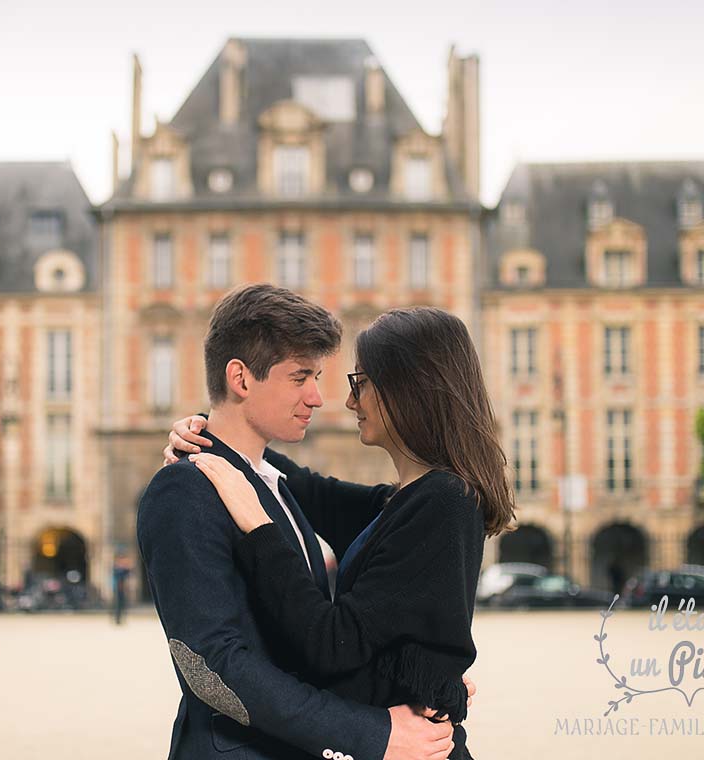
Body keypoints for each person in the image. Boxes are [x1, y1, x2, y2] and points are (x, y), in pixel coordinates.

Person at [165, 306, 515, 760]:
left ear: (408, 387)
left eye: (361, 383)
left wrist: (259, 527)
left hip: (414, 745)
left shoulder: (442, 503)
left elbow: (331, 644)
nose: (350, 402)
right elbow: (305, 488)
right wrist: (204, 430)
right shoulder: (405, 502)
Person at [111, 552, 133, 625]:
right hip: (118, 589)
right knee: (118, 605)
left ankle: (120, 619)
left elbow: (129, 571)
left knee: (122, 604)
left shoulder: (121, 569)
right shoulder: (117, 568)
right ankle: (117, 619)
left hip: (122, 589)